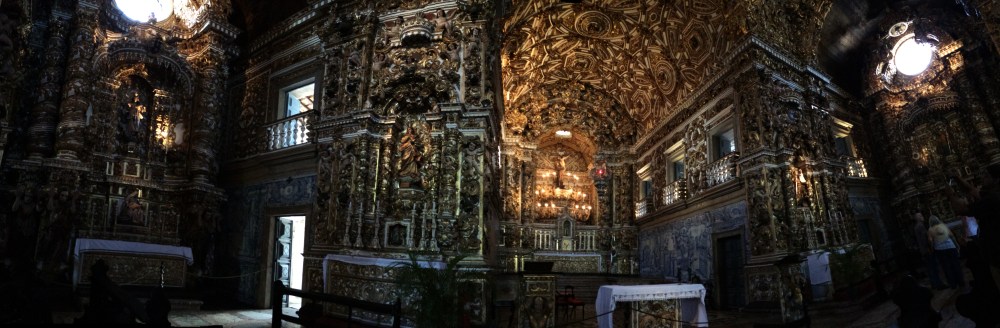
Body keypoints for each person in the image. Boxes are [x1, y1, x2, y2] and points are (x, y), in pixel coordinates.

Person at [949, 164, 1000, 294]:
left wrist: (949, 192)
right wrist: (958, 179)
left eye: (986, 176)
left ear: (996, 179)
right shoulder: (993, 193)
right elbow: (973, 191)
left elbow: (960, 209)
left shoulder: (991, 199)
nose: (982, 178)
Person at [928, 215, 964, 289]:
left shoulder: (930, 230)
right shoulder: (944, 226)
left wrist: (932, 249)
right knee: (956, 264)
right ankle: (961, 282)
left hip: (940, 249)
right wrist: (956, 245)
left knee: (946, 267)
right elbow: (951, 236)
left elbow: (930, 241)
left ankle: (953, 284)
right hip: (951, 247)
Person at [912, 212, 945, 289]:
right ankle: (938, 284)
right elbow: (925, 239)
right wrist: (930, 247)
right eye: (920, 216)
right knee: (933, 268)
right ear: (917, 218)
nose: (922, 216)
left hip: (924, 250)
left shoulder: (916, 227)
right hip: (927, 250)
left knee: (930, 268)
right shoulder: (920, 226)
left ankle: (934, 284)